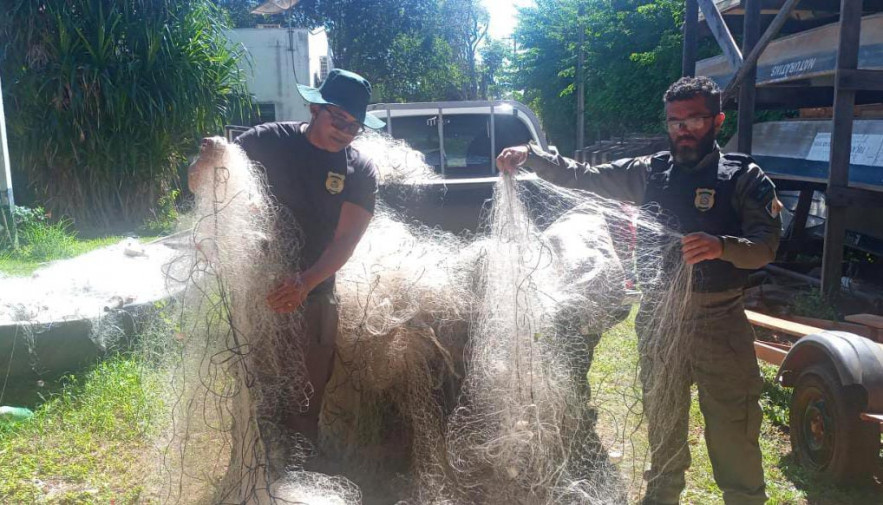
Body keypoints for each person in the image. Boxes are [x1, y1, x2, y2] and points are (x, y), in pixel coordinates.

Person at [496, 76, 781, 505]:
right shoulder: (650, 172)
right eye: (675, 121)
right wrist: (530, 156)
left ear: (718, 120)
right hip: (658, 318)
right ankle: (662, 494)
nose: (683, 129)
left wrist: (723, 247)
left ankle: (744, 498)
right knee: (662, 416)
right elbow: (583, 176)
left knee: (733, 422)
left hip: (719, 320)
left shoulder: (743, 177)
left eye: (695, 119)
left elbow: (765, 247)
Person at [188, 68, 385, 451]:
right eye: (337, 118)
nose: (344, 131)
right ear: (315, 107)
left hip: (313, 298)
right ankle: (254, 468)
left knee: (304, 398)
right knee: (255, 391)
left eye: (354, 126)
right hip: (254, 293)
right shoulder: (266, 141)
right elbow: (201, 184)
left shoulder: (359, 169)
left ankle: (299, 473)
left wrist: (305, 283)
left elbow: (347, 239)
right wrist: (205, 161)